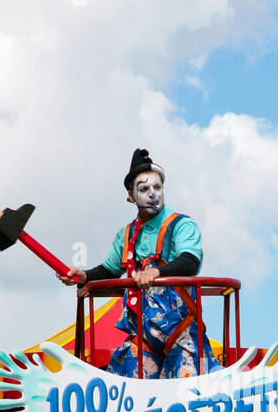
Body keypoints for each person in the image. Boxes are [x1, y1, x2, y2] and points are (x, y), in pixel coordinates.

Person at [59, 148, 220, 380]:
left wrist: (156, 272)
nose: (153, 194)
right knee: (123, 394)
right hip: (143, 337)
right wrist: (84, 276)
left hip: (181, 333)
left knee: (194, 394)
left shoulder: (182, 225)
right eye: (144, 189)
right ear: (131, 196)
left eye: (157, 187)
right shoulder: (125, 235)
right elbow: (110, 270)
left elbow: (189, 261)